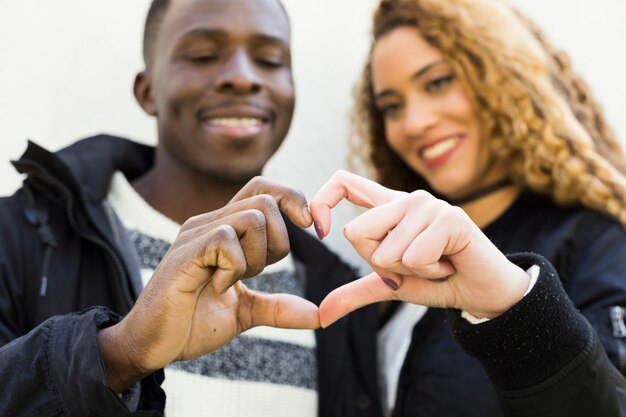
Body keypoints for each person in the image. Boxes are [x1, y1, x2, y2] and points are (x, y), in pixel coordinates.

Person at [0, 0, 362, 416]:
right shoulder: (18, 238)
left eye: (269, 59)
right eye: (204, 56)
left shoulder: (336, 291)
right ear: (147, 90)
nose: (243, 78)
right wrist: (118, 353)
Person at [309, 0, 626, 416]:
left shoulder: (599, 245)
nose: (415, 122)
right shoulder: (397, 262)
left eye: (437, 82)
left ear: (505, 77)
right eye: (392, 106)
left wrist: (514, 310)